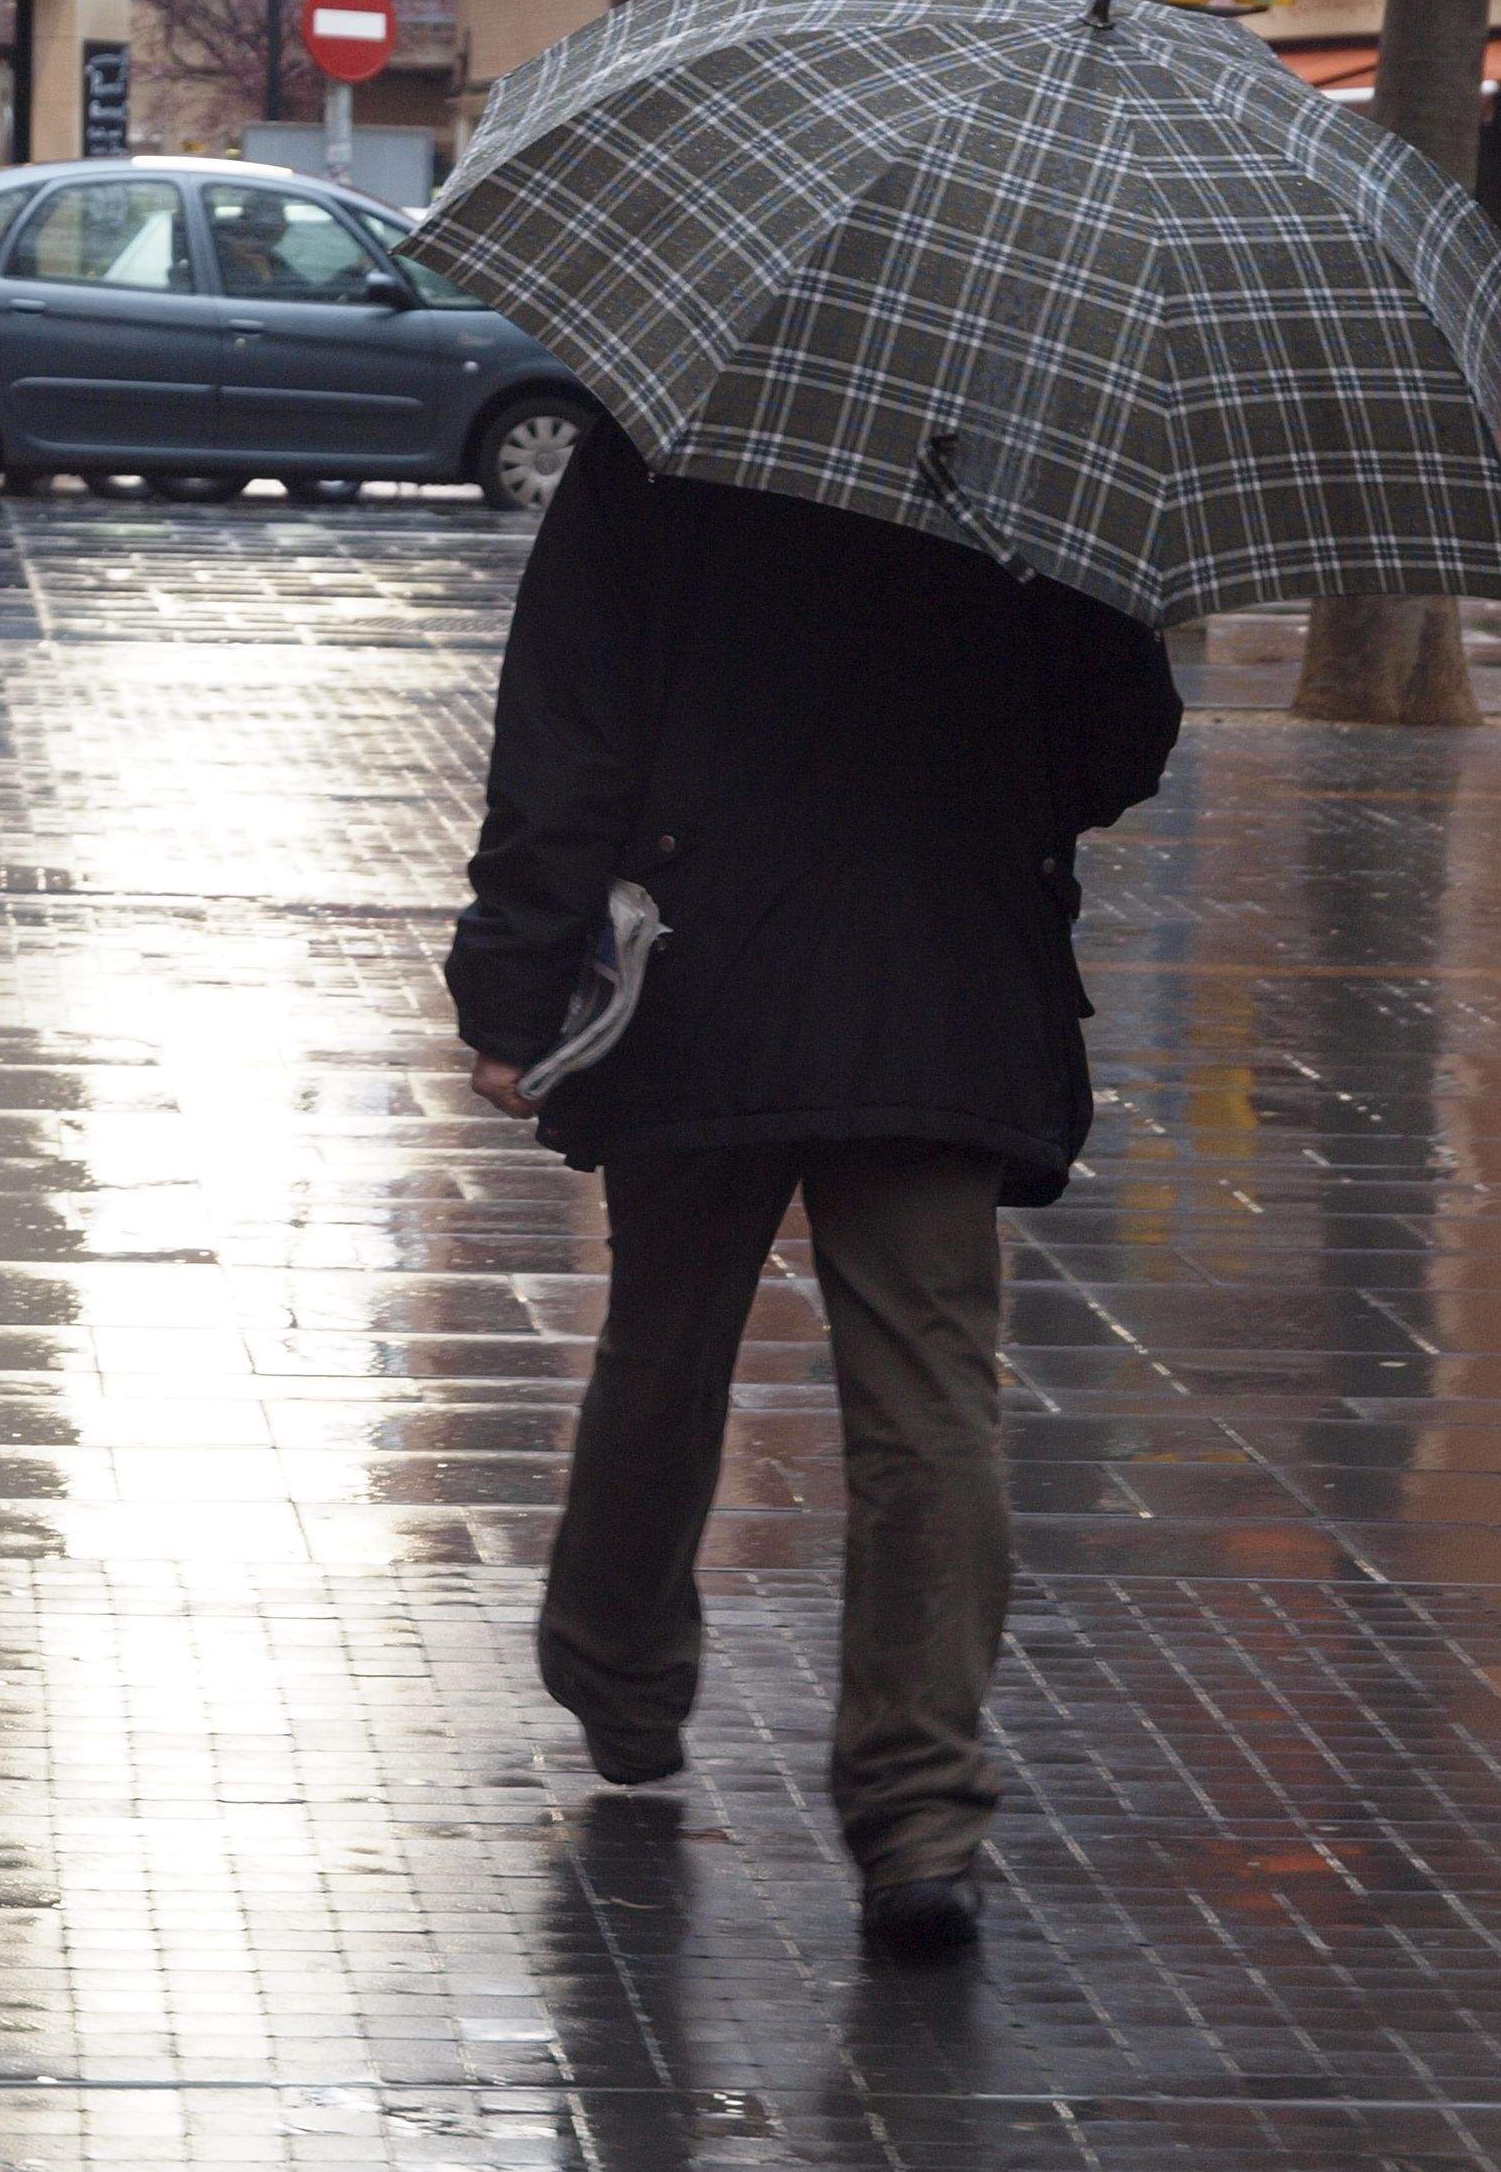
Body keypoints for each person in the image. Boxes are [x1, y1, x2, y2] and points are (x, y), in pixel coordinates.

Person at [447, 414, 1180, 1960]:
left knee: (668, 1339)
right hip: (943, 978)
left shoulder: (670, 433)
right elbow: (1116, 746)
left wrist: (512, 983)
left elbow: (565, 725)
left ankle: (620, 1677)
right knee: (930, 1387)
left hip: (703, 965)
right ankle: (920, 1813)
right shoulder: (1042, 438)